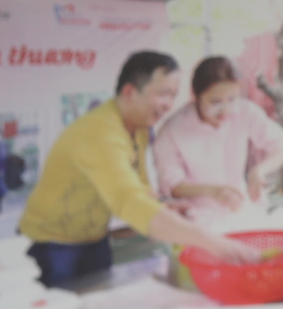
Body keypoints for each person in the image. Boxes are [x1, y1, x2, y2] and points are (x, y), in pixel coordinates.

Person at [19, 51, 261, 287]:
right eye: (163, 94)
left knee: (95, 305)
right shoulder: (100, 132)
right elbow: (129, 201)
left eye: (173, 95)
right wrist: (214, 243)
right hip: (52, 244)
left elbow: (139, 187)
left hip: (95, 239)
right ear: (129, 92)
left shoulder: (140, 128)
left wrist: (163, 207)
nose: (168, 105)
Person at [152, 56, 283, 225]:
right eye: (215, 102)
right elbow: (173, 185)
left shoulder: (245, 111)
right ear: (195, 95)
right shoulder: (173, 130)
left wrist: (259, 171)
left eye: (232, 99)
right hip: (197, 219)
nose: (226, 110)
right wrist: (212, 191)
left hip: (242, 209)